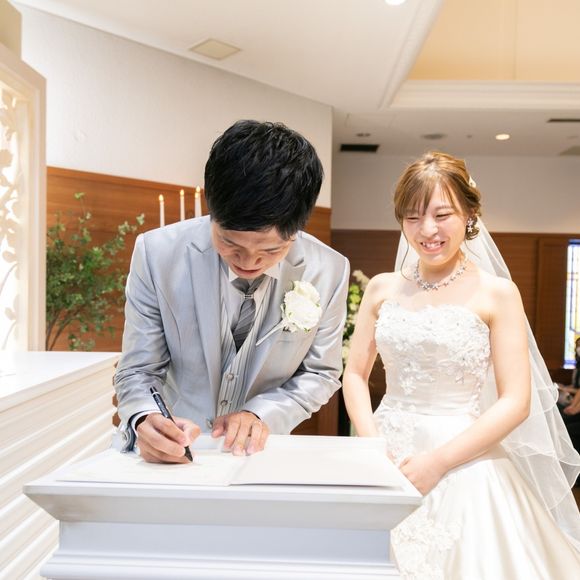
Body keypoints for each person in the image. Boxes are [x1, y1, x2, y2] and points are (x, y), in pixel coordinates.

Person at [343, 151, 580, 578]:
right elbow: (356, 375)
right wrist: (372, 444)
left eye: (442, 215)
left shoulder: (497, 294)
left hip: (464, 458)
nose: (427, 230)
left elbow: (516, 401)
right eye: (413, 217)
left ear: (470, 214)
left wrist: (438, 462)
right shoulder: (381, 288)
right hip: (384, 452)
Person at [114, 119, 349, 463]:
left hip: (261, 455)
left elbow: (321, 373)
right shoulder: (157, 254)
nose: (249, 261)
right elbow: (138, 369)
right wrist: (145, 418)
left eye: (271, 250)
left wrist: (262, 414)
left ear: (298, 229)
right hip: (174, 454)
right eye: (230, 243)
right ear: (212, 212)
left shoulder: (328, 270)